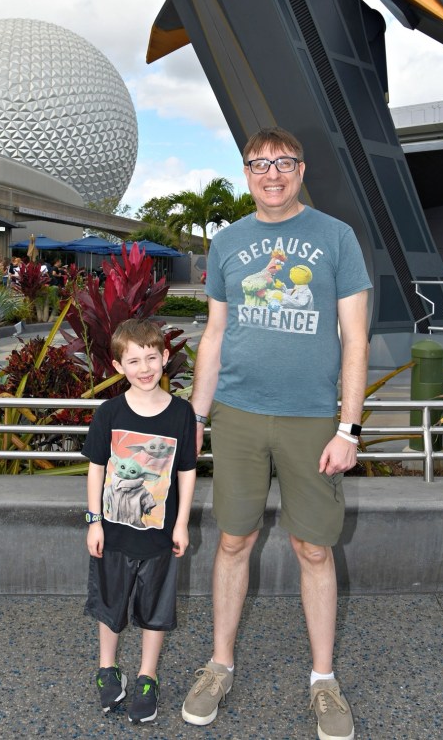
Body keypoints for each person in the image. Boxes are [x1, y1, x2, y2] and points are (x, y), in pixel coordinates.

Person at [181, 127, 371, 739]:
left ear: (300, 168)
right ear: (245, 172)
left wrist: (348, 427)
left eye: (282, 163)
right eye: (259, 163)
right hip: (237, 413)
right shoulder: (229, 242)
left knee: (313, 548)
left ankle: (323, 680)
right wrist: (198, 415)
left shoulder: (335, 237)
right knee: (233, 542)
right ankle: (219, 664)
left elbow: (356, 339)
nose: (271, 173)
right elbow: (213, 335)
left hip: (312, 418)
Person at [81, 318, 197, 725]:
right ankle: (107, 668)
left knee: (155, 606)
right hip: (112, 533)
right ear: (118, 367)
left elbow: (186, 471)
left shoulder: (182, 414)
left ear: (165, 358)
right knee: (110, 602)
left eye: (151, 357)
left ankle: (148, 675)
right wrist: (94, 520)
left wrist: (181, 523)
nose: (144, 368)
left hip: (159, 536)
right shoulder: (109, 413)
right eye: (134, 361)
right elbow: (96, 468)